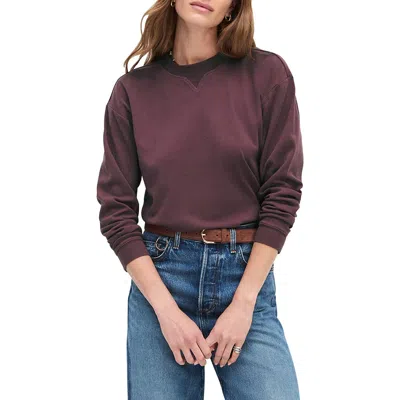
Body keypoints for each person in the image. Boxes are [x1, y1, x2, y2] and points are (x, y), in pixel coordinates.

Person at [96, 0, 303, 398]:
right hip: (161, 280)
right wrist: (165, 311)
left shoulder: (267, 74)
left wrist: (244, 303)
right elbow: (116, 211)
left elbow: (283, 192)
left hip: (246, 276)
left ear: (233, 7)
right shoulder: (132, 91)